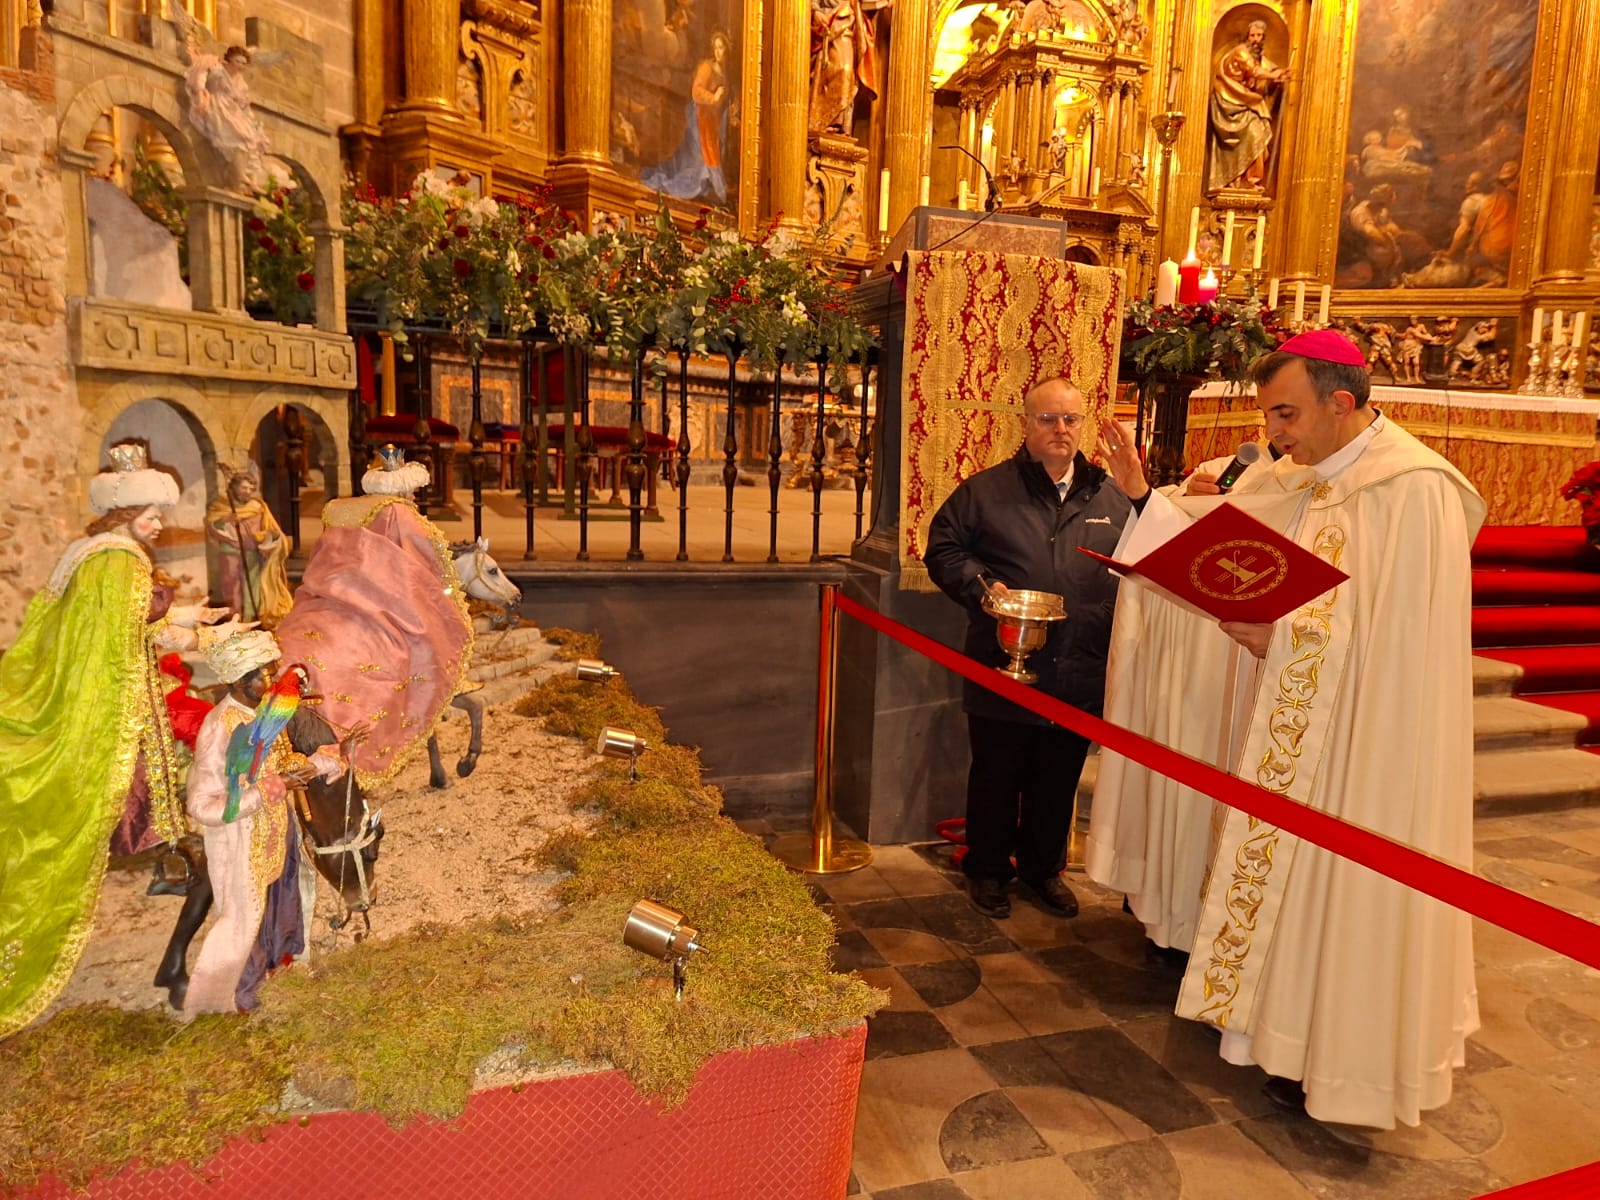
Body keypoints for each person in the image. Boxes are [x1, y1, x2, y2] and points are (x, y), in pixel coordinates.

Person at [1091, 329, 1484, 1129]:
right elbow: (1217, 532)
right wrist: (1142, 499)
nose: (1274, 434)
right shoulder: (1303, 474)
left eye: (1286, 414)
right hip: (1298, 731)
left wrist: (1288, 637)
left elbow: (1410, 649)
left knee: (1341, 892)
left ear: (1340, 402)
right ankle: (1277, 1029)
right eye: (1271, 414)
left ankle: (1340, 1057)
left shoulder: (1415, 489)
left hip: (1369, 752)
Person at [0, 441, 226, 1038]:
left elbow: (129, 625)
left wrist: (194, 619)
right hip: (117, 716)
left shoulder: (92, 555)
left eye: (159, 514)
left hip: (119, 695)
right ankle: (173, 870)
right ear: (124, 514)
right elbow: (132, 640)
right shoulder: (121, 562)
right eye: (149, 515)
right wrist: (202, 640)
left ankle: (170, 864)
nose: (158, 524)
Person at [924, 379, 1133, 920]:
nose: (1060, 429)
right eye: (1047, 419)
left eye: (1070, 419)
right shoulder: (984, 492)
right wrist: (983, 589)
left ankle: (1043, 870)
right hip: (1004, 662)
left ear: (1083, 425)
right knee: (997, 774)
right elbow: (943, 548)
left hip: (1080, 665)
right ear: (1025, 423)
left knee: (1058, 778)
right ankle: (989, 868)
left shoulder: (1111, 496)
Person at [275, 447, 473, 789]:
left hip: (322, 601)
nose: (414, 497)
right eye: (412, 491)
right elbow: (427, 562)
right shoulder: (400, 514)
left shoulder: (340, 509)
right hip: (374, 604)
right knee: (417, 644)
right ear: (402, 488)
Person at [182, 628, 342, 1015]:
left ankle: (277, 973)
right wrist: (272, 788)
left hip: (277, 830)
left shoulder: (263, 713)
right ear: (238, 681)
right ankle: (240, 997)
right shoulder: (219, 728)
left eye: (271, 673)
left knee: (283, 900)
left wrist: (326, 759)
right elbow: (202, 806)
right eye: (263, 676)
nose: (271, 683)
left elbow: (280, 764)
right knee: (246, 918)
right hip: (241, 844)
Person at [641, 32, 733, 204]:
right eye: (715, 48)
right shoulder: (706, 67)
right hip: (699, 117)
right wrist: (713, 98)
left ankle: (706, 189)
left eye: (721, 48)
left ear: (727, 50)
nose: (718, 52)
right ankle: (695, 186)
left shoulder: (724, 75)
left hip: (712, 121)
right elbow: (696, 91)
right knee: (699, 157)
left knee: (712, 154)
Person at [206, 459, 292, 627]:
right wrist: (225, 520)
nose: (247, 492)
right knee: (231, 586)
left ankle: (251, 618)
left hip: (251, 553)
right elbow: (212, 526)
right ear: (234, 487)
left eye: (251, 489)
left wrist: (267, 538)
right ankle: (235, 618)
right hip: (230, 552)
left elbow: (270, 529)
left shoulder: (258, 507)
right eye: (244, 488)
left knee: (252, 585)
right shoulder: (222, 506)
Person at [1207, 19, 1288, 193]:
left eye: (1259, 35)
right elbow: (1254, 71)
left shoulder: (1259, 59)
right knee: (1254, 135)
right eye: (1252, 35)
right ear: (1247, 37)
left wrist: (1276, 78)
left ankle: (1249, 181)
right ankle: (1237, 180)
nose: (1255, 39)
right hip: (1230, 100)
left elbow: (1263, 73)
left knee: (1261, 141)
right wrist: (1272, 75)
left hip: (1246, 103)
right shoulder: (1241, 52)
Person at [808, 0, 877, 135]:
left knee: (847, 72)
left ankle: (841, 123)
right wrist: (814, 11)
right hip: (827, 23)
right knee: (832, 71)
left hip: (848, 23)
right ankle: (824, 121)